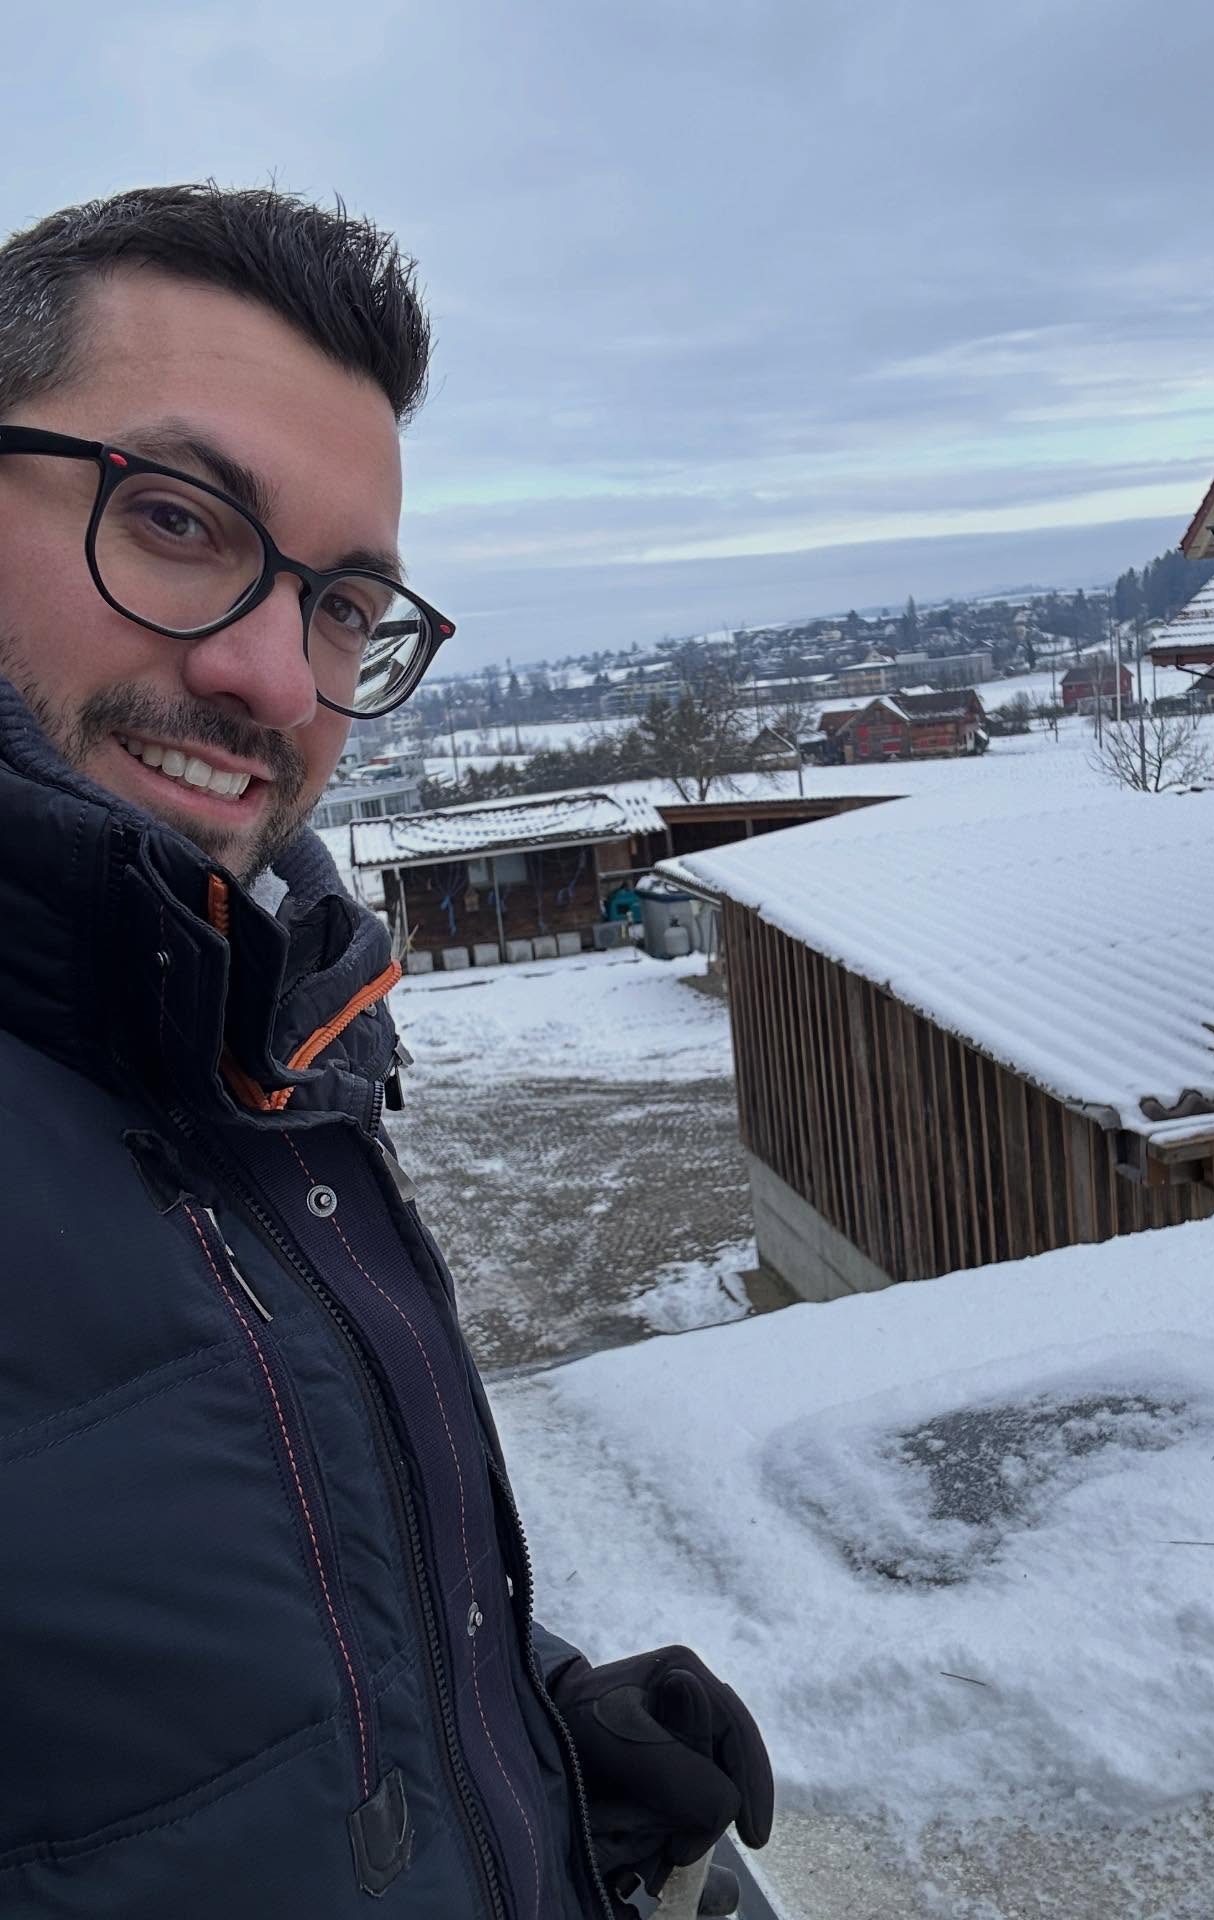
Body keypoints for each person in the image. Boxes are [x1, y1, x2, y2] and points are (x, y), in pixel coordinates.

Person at [0, 184, 772, 1919]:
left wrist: (522, 1740)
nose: (281, 678)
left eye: (347, 606)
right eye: (178, 518)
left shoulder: (243, 1033)